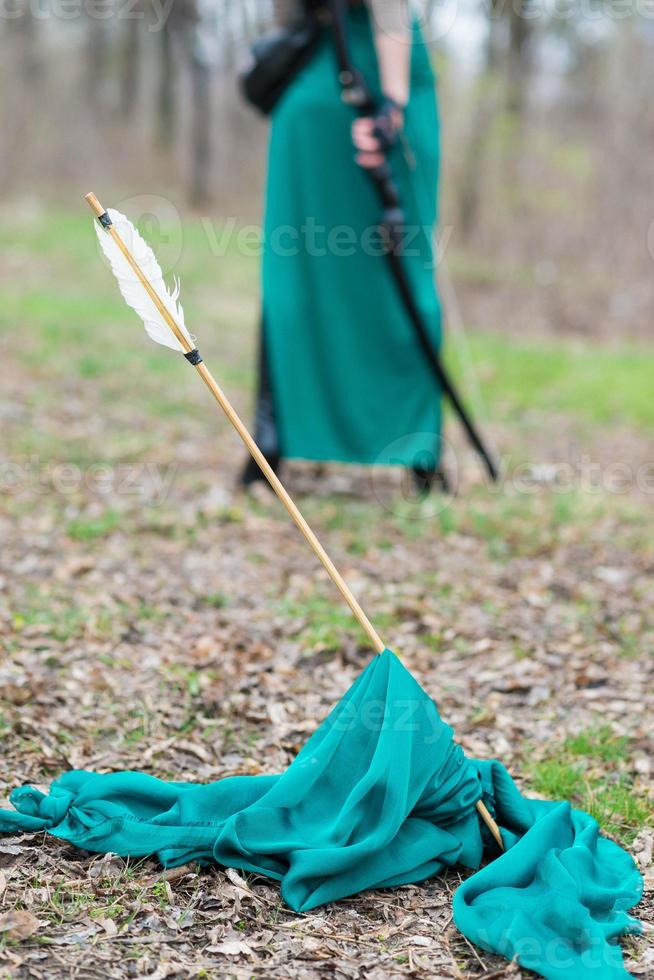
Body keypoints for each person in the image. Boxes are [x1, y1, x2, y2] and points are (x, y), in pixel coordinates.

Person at [242, 0, 446, 494]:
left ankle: (285, 439)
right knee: (323, 271)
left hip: (355, 84)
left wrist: (391, 105)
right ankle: (283, 437)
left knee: (371, 268)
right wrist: (392, 104)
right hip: (343, 76)